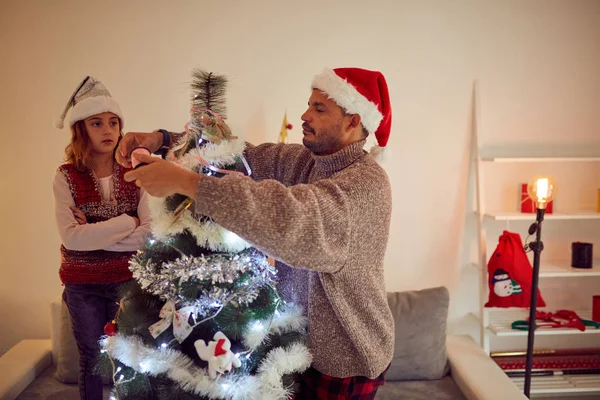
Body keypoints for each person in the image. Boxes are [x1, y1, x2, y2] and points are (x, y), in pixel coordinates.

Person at [117, 67, 394, 399]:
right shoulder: (308, 161)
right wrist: (162, 140)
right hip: (296, 345)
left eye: (320, 109)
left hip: (344, 356)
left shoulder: (366, 185)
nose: (305, 114)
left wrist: (187, 184)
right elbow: (238, 156)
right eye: (309, 104)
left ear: (353, 121)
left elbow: (292, 218)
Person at [53, 76, 152, 400]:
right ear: (81, 129)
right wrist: (127, 220)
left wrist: (94, 231)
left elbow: (148, 234)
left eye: (113, 122)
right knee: (92, 359)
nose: (108, 130)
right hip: (83, 286)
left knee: (130, 357)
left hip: (127, 281)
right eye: (97, 123)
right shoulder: (66, 176)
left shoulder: (135, 171)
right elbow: (72, 239)